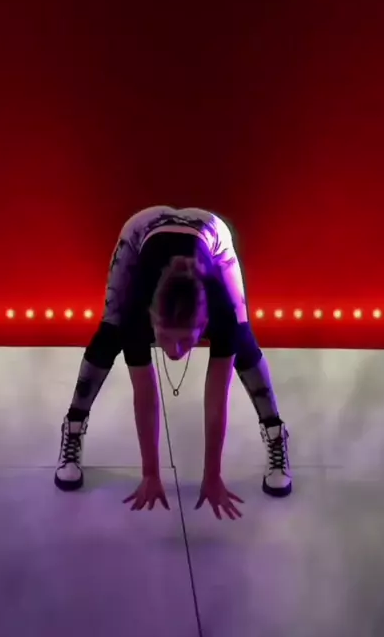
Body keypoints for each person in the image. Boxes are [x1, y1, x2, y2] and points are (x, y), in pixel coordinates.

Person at [54, 206, 292, 519]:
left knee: (242, 338)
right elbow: (146, 399)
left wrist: (212, 476)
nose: (175, 351)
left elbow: (216, 402)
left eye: (186, 340)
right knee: (110, 332)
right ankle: (73, 427)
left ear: (203, 324)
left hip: (211, 232)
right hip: (143, 228)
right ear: (152, 320)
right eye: (166, 337)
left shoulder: (220, 311)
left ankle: (276, 434)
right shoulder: (137, 309)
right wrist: (150, 474)